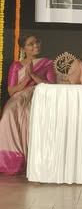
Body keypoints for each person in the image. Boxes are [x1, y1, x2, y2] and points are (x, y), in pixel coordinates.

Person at [0, 34, 56, 175]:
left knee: (29, 113)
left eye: (37, 42)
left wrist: (34, 76)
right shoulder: (16, 65)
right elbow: (11, 90)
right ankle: (12, 160)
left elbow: (53, 87)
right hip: (19, 97)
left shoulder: (47, 63)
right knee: (8, 114)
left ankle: (33, 160)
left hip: (39, 95)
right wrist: (26, 79)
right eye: (31, 44)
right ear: (23, 48)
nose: (35, 45)